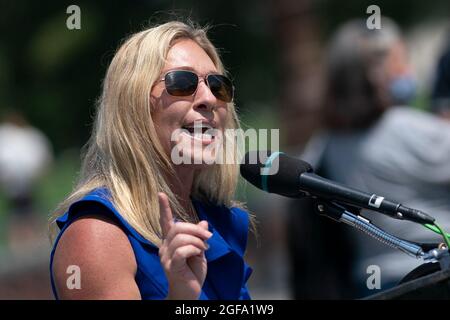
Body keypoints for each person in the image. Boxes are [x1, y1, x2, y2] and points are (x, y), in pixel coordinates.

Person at [48, 21, 254, 300]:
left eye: (218, 86)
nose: (208, 98)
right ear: (133, 105)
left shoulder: (218, 220)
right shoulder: (97, 235)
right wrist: (181, 297)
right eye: (183, 82)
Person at [287, 18, 450, 298]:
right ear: (378, 72)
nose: (408, 70)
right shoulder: (419, 131)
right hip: (436, 278)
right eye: (401, 60)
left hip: (371, 288)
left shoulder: (323, 147)